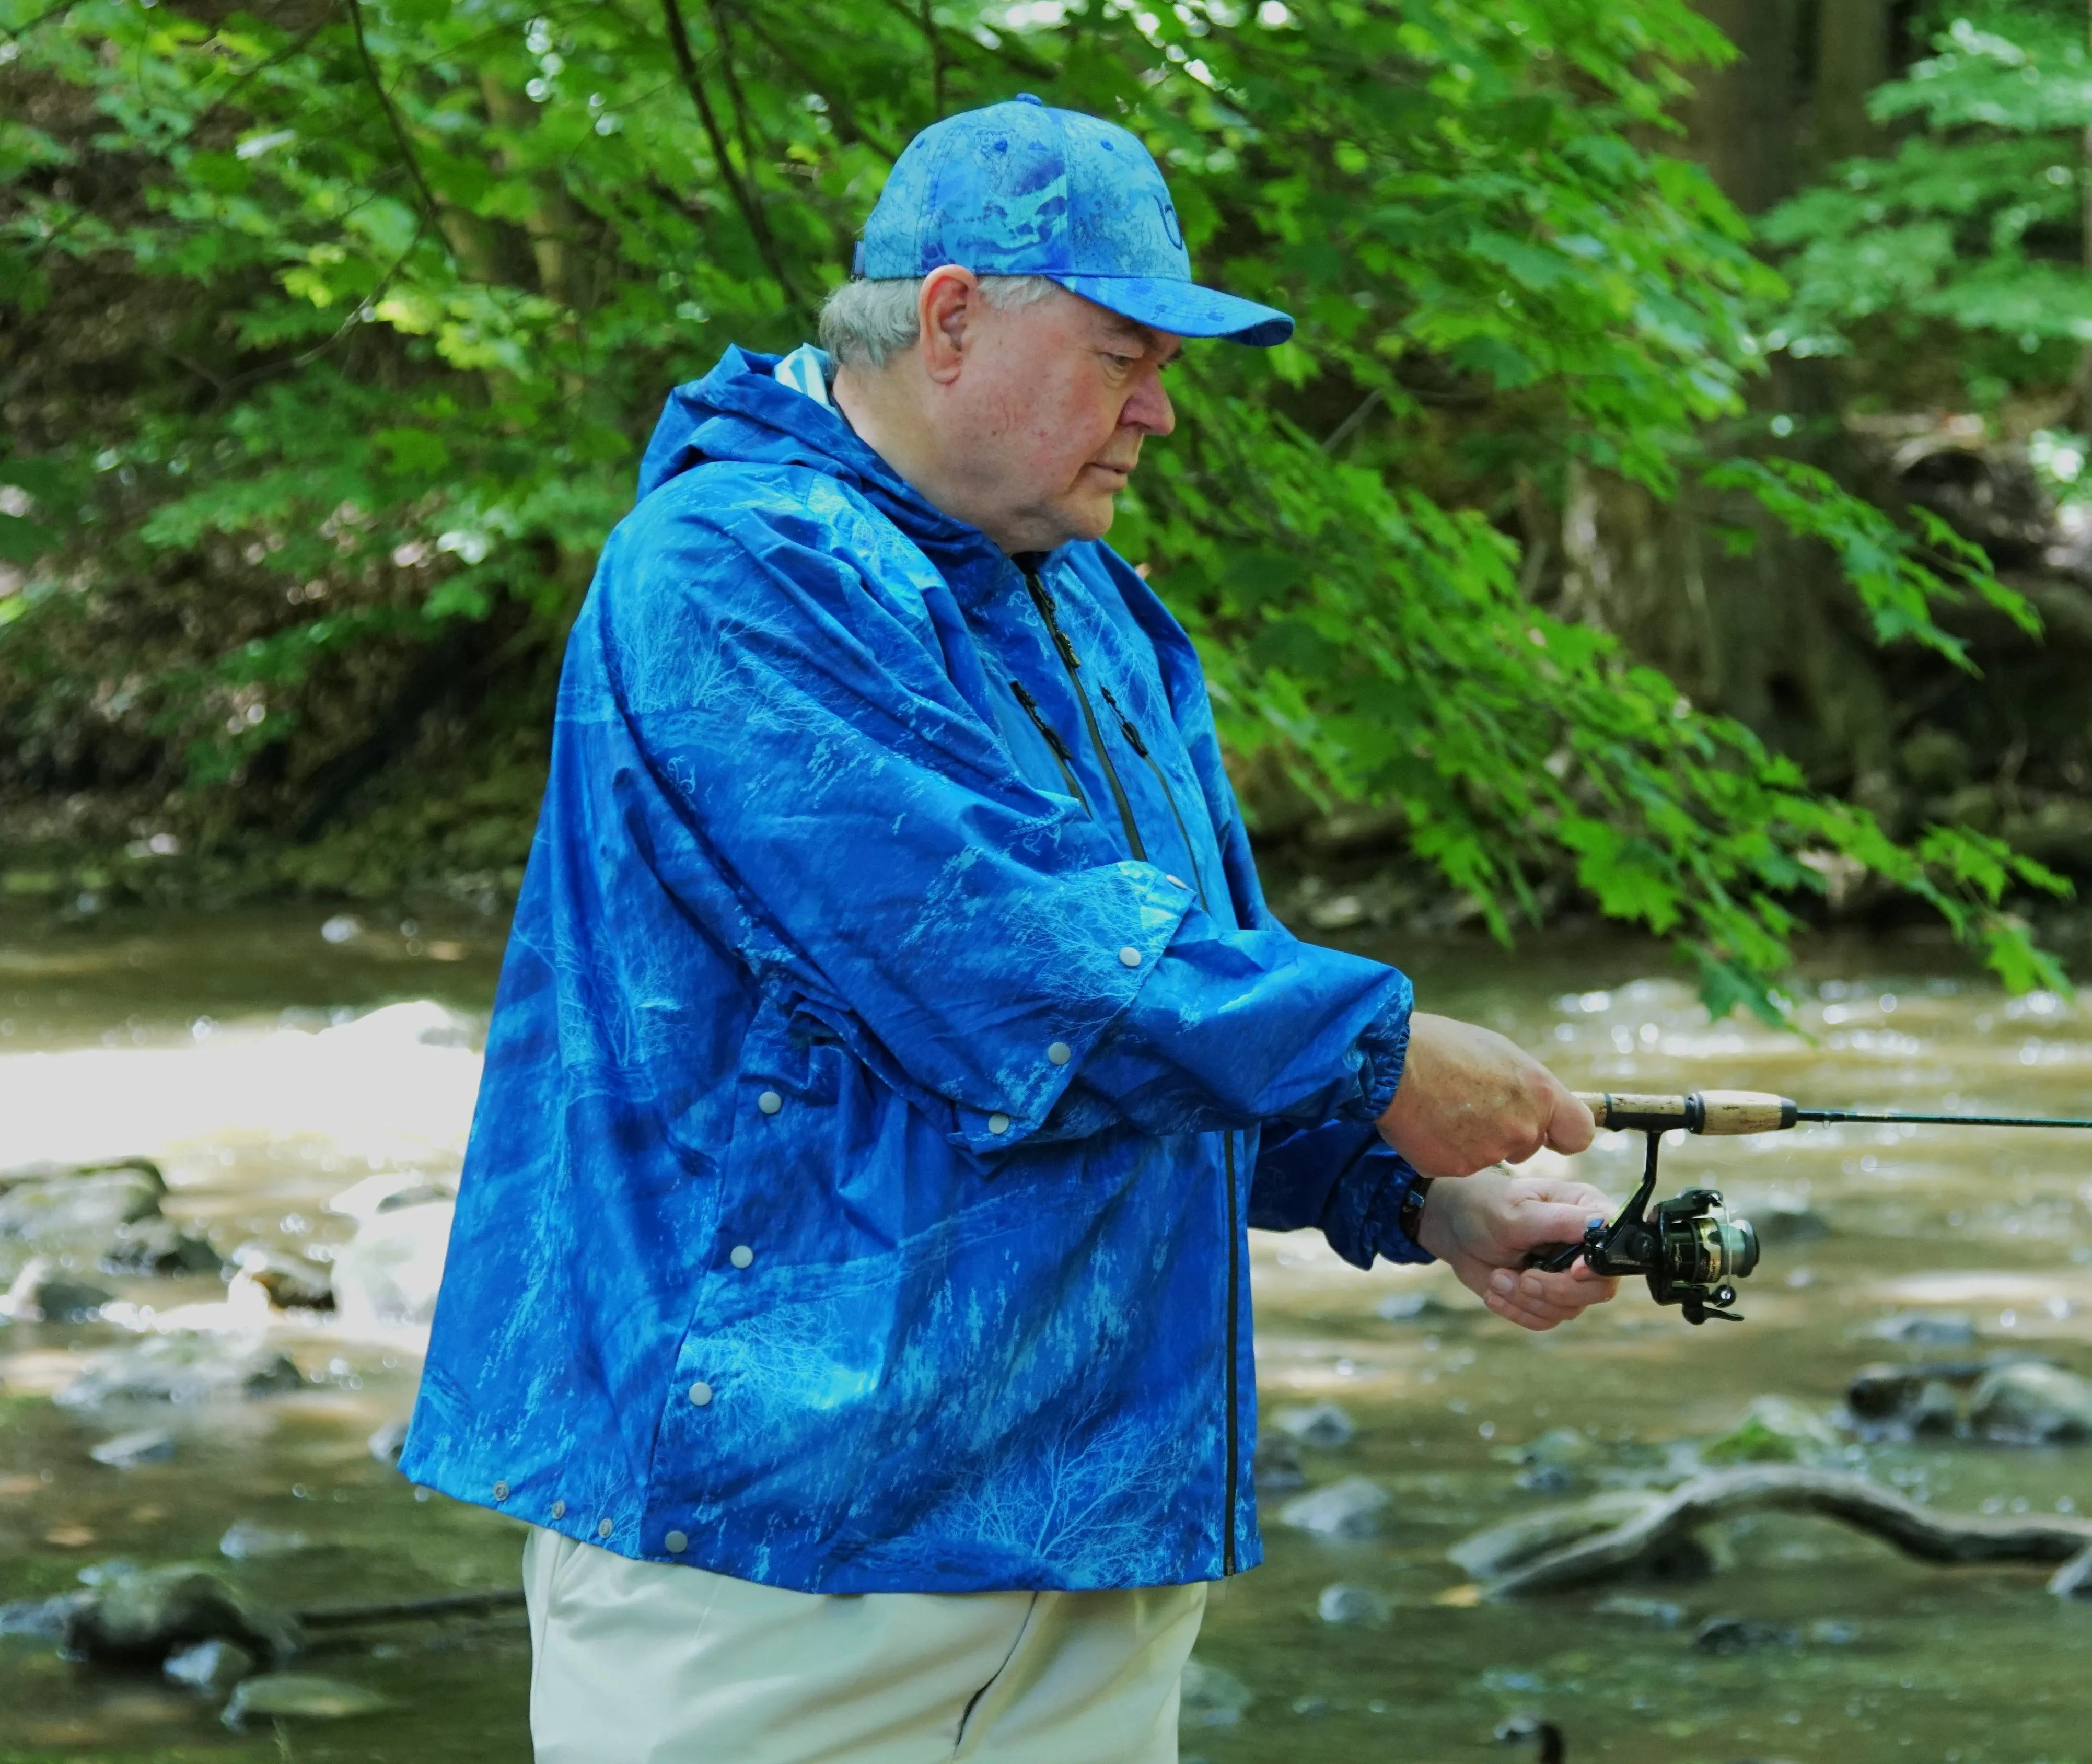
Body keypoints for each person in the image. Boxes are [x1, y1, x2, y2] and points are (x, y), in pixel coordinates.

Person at [402, 94, 1615, 1763]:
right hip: (776, 1549)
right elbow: (1005, 956)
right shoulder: (727, 570)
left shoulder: (1105, 610)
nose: (1163, 413)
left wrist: (1411, 1187)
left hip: (1092, 1531)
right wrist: (1385, 1051)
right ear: (953, 317)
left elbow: (1195, 1002)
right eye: (1124, 354)